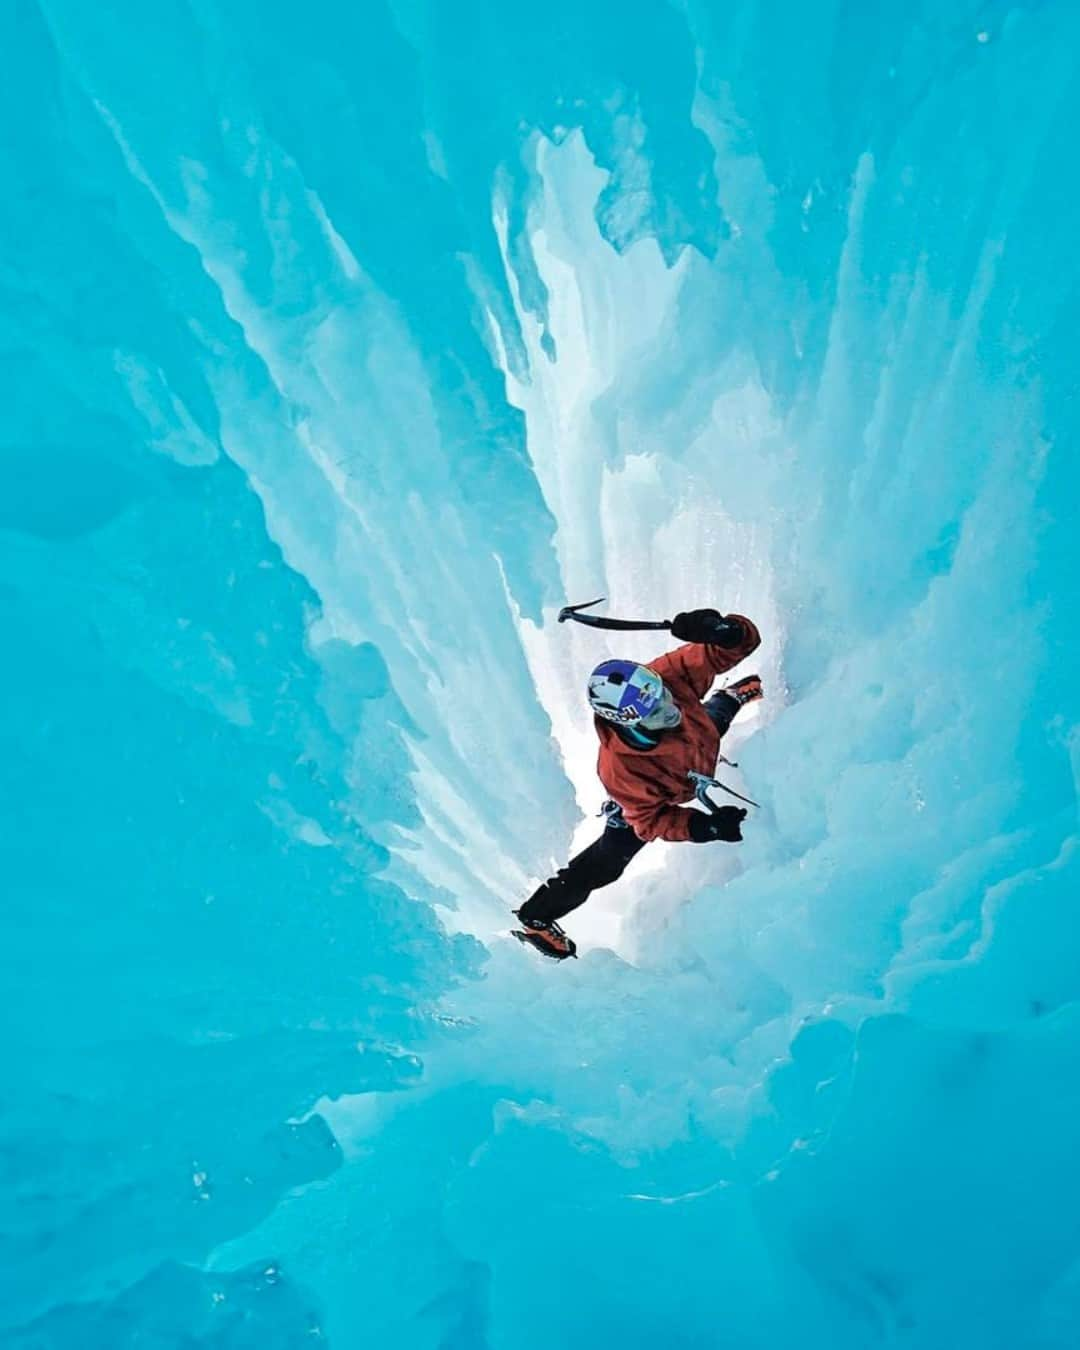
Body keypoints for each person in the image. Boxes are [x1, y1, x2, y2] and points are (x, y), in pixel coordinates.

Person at [513, 608, 762, 959]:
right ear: (630, 723)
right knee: (608, 862)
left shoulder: (665, 681)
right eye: (654, 710)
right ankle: (536, 917)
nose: (669, 707)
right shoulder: (622, 772)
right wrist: (703, 826)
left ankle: (731, 696)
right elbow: (652, 821)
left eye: (661, 694)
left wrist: (725, 631)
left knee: (710, 719)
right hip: (649, 798)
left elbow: (727, 649)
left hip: (697, 747)